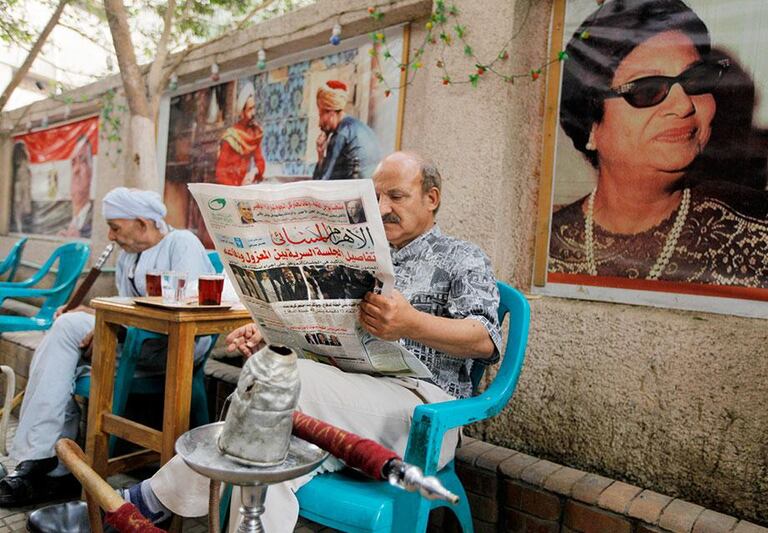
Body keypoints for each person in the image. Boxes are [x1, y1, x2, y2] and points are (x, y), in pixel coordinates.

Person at [118, 152, 502, 531]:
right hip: (344, 400)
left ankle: (151, 501)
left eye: (396, 197)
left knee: (280, 388)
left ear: (431, 199)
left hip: (420, 413)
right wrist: (275, 336)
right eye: (376, 197)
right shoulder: (357, 251)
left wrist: (411, 323)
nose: (382, 207)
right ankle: (162, 504)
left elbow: (485, 339)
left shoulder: (461, 258)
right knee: (266, 453)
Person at [549, 0, 768, 289]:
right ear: (590, 125)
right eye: (647, 89)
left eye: (695, 80)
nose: (683, 105)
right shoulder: (541, 247)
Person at [0, 188, 215, 507]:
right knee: (66, 332)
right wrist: (98, 316)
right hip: (133, 342)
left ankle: (41, 460)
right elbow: (128, 304)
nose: (111, 236)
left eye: (115, 227)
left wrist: (111, 323)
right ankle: (53, 464)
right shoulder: (130, 255)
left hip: (174, 349)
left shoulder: (181, 243)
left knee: (68, 329)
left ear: (143, 223)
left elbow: (186, 308)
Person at [312, 80, 383, 181]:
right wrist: (321, 152)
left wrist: (320, 159)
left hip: (354, 193)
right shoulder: (359, 127)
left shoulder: (341, 134)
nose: (319, 123)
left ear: (331, 112)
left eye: (321, 115)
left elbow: (322, 184)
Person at [215, 82, 265, 186]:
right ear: (242, 112)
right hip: (230, 189)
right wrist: (237, 187)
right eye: (250, 109)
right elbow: (220, 174)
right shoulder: (230, 137)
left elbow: (260, 162)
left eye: (254, 108)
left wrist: (253, 172)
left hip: (245, 187)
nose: (254, 113)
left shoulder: (253, 134)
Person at [58, 135, 94, 238]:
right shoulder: (61, 218)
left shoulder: (96, 216)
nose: (76, 170)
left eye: (83, 161)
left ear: (91, 171)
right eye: (73, 163)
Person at [10, 141, 32, 233]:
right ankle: (19, 228)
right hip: (20, 185)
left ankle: (21, 228)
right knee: (19, 206)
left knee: (23, 207)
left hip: (23, 185)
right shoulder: (18, 162)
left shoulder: (24, 161)